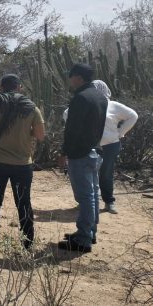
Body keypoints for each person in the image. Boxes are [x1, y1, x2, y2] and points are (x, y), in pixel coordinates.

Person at [0, 75, 45, 256]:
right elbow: (40, 135)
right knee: (23, 203)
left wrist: (0, 131)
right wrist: (23, 131)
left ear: (1, 87)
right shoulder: (31, 107)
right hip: (22, 165)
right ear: (19, 87)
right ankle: (27, 246)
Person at [63, 80, 138, 215]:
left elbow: (133, 115)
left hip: (110, 145)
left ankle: (109, 202)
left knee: (106, 174)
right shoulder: (85, 103)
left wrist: (120, 133)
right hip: (89, 145)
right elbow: (66, 114)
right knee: (88, 175)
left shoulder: (113, 105)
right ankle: (88, 202)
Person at [57, 63, 108, 253]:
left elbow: (72, 129)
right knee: (93, 195)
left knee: (85, 197)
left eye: (71, 77)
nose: (70, 81)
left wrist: (64, 152)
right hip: (96, 151)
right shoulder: (100, 97)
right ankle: (89, 232)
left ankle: (83, 239)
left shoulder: (80, 98)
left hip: (80, 153)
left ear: (78, 77)